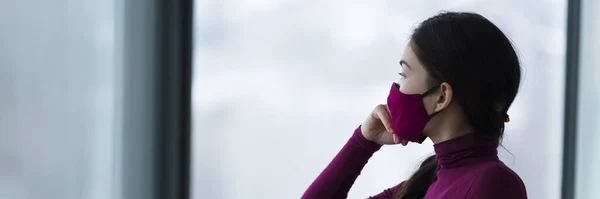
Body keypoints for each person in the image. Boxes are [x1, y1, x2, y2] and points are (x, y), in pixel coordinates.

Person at [302, 12, 527, 199]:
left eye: (404, 75)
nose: (396, 89)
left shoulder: (493, 184)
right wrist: (363, 141)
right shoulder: (427, 181)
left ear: (441, 97)